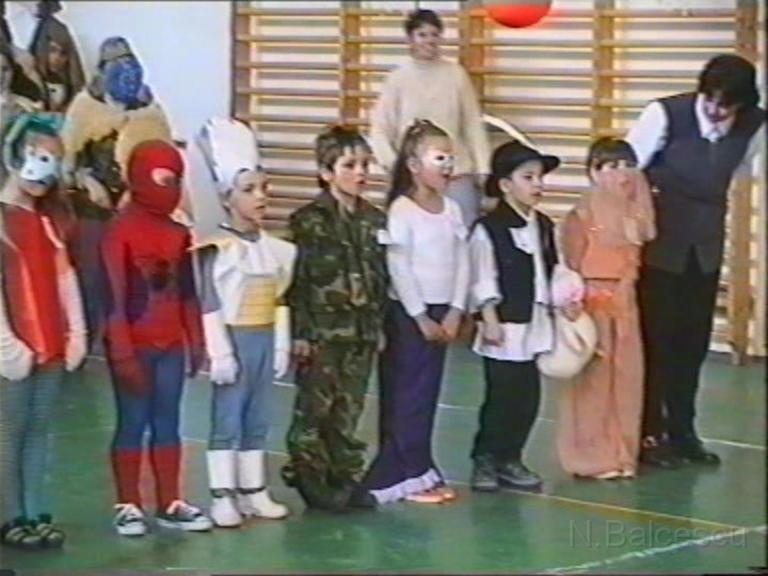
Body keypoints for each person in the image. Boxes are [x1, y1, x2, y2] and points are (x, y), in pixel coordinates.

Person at [626, 54, 765, 468]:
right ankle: (648, 433)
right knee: (656, 342)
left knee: (692, 345)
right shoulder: (664, 114)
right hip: (658, 248)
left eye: (727, 104)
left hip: (704, 251)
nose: (717, 110)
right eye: (711, 100)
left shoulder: (754, 124)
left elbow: (742, 170)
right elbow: (625, 173)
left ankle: (683, 431)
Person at [102, 140, 211, 536]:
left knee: (168, 422)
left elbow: (188, 293)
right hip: (135, 346)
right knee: (132, 421)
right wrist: (122, 352)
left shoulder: (179, 233)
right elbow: (112, 299)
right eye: (164, 179)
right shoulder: (118, 232)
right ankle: (128, 503)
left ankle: (169, 501)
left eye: (177, 180)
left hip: (171, 348)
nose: (172, 188)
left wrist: (196, 340)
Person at [281, 125, 388, 513]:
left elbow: (381, 279)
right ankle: (311, 480)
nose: (360, 173)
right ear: (326, 172)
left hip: (361, 333)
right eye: (349, 165)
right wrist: (300, 333)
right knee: (315, 410)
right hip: (322, 333)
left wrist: (378, 326)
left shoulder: (374, 220)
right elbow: (297, 283)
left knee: (349, 410)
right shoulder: (307, 222)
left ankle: (345, 477)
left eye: (364, 165)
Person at [195, 118, 296, 527]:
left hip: (264, 339)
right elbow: (209, 302)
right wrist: (219, 352)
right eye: (249, 189)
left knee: (259, 416)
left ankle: (254, 490)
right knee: (228, 417)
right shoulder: (217, 249)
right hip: (233, 340)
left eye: (264, 188)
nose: (260, 197)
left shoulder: (277, 250)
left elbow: (279, 298)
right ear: (226, 196)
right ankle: (223, 494)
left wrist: (281, 344)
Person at [362, 119, 469, 505]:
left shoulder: (452, 209)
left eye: (451, 158)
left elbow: (462, 260)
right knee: (406, 394)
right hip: (410, 316)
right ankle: (397, 474)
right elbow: (400, 266)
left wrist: (456, 309)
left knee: (427, 396)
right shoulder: (402, 211)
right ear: (413, 164)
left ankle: (421, 468)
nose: (447, 165)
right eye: (439, 157)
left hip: (443, 313)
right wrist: (420, 315)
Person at [0, 112, 86, 549]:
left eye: (53, 160)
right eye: (37, 157)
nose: (44, 171)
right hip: (14, 350)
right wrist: (6, 345)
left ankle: (36, 510)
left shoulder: (49, 222)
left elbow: (64, 277)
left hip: (50, 345)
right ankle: (9, 515)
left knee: (40, 430)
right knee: (9, 433)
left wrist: (76, 332)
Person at [557, 138, 656, 480]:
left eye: (627, 165)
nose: (621, 174)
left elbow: (636, 255)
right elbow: (571, 264)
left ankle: (622, 453)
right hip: (593, 301)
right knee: (594, 381)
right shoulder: (582, 213)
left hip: (624, 300)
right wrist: (577, 302)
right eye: (611, 166)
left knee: (626, 377)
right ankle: (590, 455)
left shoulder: (634, 212)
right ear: (593, 172)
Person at [467, 140, 560, 493]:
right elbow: (482, 275)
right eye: (528, 177)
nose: (537, 184)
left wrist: (563, 300)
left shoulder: (544, 226)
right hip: (505, 326)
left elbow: (552, 270)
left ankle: (512, 457)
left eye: (539, 177)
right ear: (506, 185)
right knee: (501, 396)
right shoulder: (488, 228)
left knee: (528, 398)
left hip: (534, 323)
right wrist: (489, 316)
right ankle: (486, 457)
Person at [370, 8, 490, 227]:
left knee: (464, 234)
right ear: (410, 39)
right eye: (422, 34)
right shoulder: (397, 78)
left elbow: (473, 124)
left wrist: (483, 168)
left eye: (434, 34)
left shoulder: (456, 74)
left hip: (456, 174)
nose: (429, 40)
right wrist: (396, 166)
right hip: (413, 178)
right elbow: (380, 129)